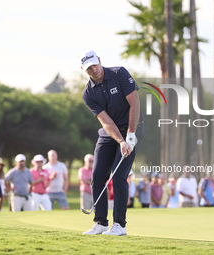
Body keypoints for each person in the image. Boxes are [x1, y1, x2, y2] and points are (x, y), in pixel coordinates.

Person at [80, 49, 144, 236]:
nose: (94, 70)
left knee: (119, 175)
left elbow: (135, 103)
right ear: (85, 71)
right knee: (98, 175)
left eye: (95, 65)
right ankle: (100, 222)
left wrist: (130, 136)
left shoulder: (119, 74)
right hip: (110, 132)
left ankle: (119, 225)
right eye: (89, 68)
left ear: (99, 60)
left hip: (133, 127)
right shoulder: (88, 93)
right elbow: (106, 122)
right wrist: (120, 140)